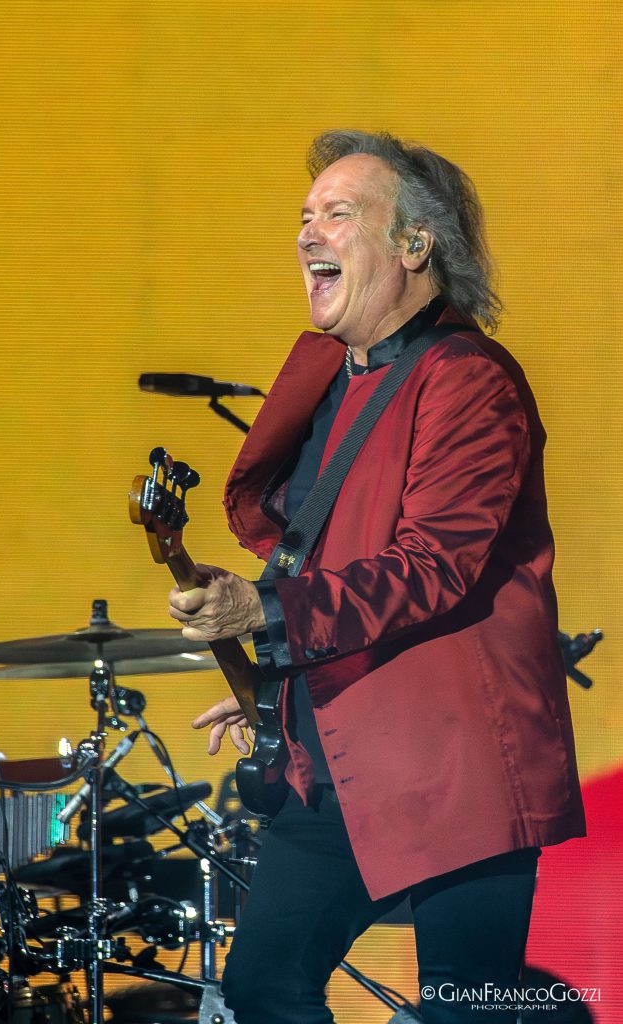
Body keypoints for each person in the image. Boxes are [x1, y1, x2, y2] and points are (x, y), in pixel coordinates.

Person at [168, 130, 586, 1024]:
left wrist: (263, 611)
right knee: (261, 988)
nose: (307, 233)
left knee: (465, 1009)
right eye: (304, 215)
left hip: (458, 768)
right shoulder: (335, 382)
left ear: (413, 244)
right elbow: (336, 566)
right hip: (341, 763)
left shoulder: (467, 380)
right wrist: (276, 679)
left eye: (338, 213)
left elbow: (431, 566)